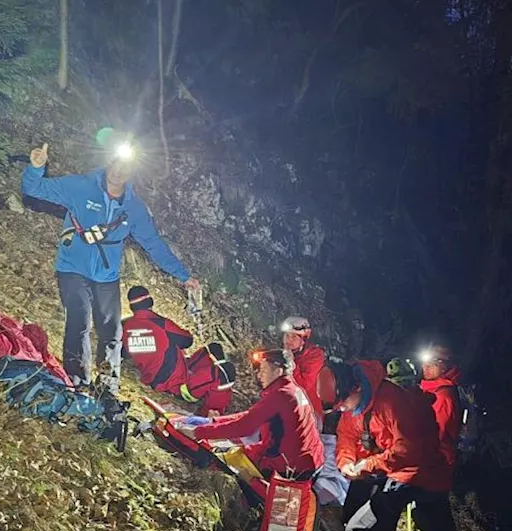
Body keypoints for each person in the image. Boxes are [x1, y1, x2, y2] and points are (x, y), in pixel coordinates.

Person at [22, 138, 199, 395]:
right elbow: (34, 189)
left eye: (126, 166)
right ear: (109, 161)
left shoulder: (134, 209)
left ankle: (107, 385)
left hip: (106, 275)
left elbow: (154, 245)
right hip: (73, 266)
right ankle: (76, 380)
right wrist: (36, 167)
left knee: (111, 330)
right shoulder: (80, 186)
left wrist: (184, 275)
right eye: (116, 162)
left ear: (132, 172)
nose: (118, 170)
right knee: (79, 320)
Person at [319, 359, 450, 531]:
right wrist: (346, 462)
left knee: (370, 530)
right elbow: (346, 435)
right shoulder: (354, 403)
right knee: (369, 529)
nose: (342, 408)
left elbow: (407, 451)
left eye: (343, 402)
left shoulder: (392, 401)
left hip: (421, 473)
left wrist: (367, 465)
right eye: (338, 406)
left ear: (355, 387)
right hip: (395, 473)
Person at [183, 349, 324, 479]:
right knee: (240, 448)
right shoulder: (291, 390)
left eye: (264, 370)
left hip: (290, 466)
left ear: (278, 371)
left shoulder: (281, 395)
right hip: (310, 460)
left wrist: (198, 432)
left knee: (226, 458)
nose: (259, 375)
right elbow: (251, 415)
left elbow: (243, 427)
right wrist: (212, 422)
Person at [121, 286, 235, 416]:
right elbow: (187, 341)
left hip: (157, 378)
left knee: (213, 349)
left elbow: (123, 352)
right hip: (179, 387)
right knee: (226, 372)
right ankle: (211, 413)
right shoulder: (161, 324)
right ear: (150, 301)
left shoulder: (126, 327)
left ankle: (215, 392)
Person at [416, 346, 462, 531]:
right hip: (431, 470)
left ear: (444, 366)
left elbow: (438, 435)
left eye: (432, 362)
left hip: (434, 471)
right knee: (437, 523)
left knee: (432, 525)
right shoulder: (429, 390)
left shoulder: (443, 396)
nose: (426, 366)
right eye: (425, 361)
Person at [281, 317, 326, 425]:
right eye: (287, 335)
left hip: (309, 412)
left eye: (294, 337)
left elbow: (303, 386)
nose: (289, 340)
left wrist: (291, 363)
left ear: (304, 339)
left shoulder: (315, 356)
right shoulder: (281, 353)